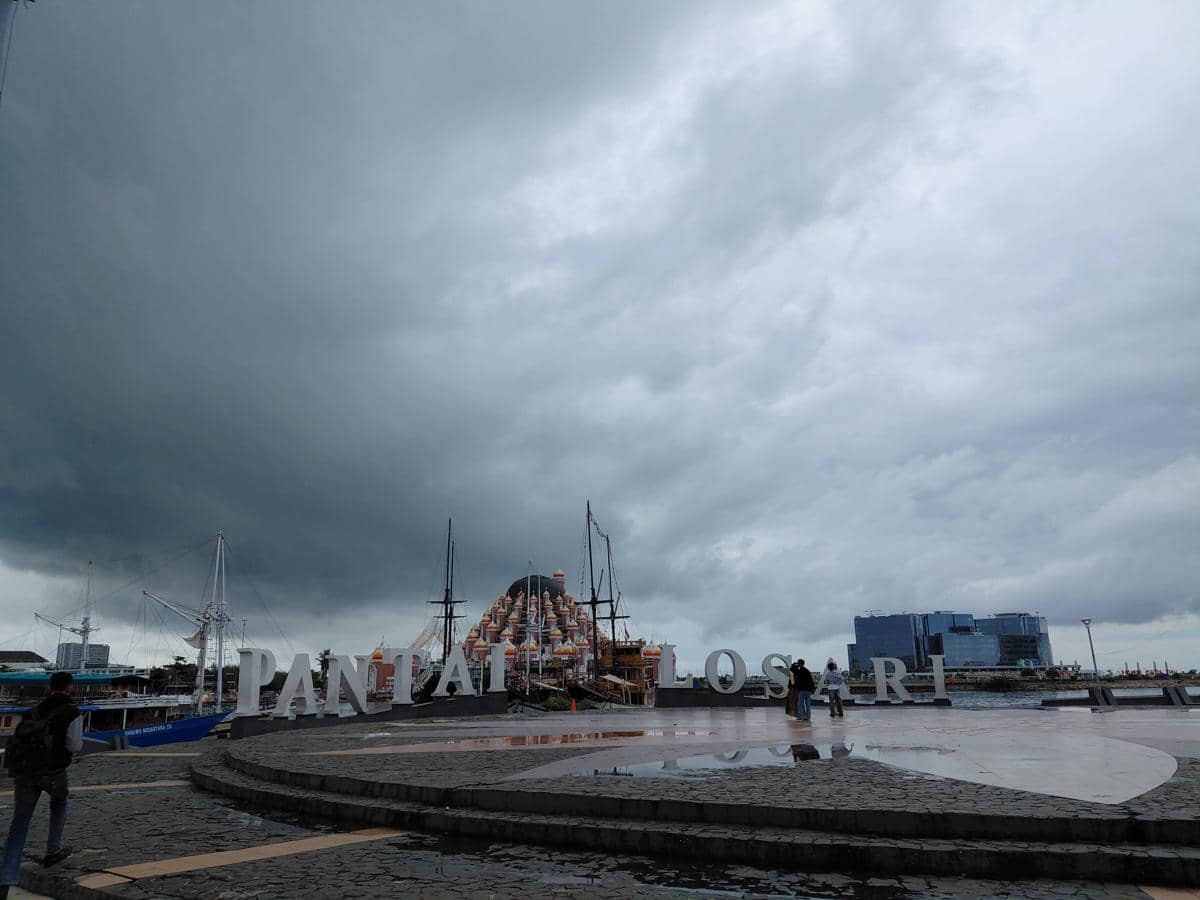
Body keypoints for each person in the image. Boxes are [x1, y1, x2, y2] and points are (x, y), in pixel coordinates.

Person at [2, 671, 82, 896]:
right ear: (69, 688)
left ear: (50, 687)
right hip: (53, 771)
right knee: (59, 803)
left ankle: (6, 878)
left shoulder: (32, 711)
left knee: (20, 822)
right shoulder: (72, 711)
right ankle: (53, 848)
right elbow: (75, 745)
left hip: (25, 771)